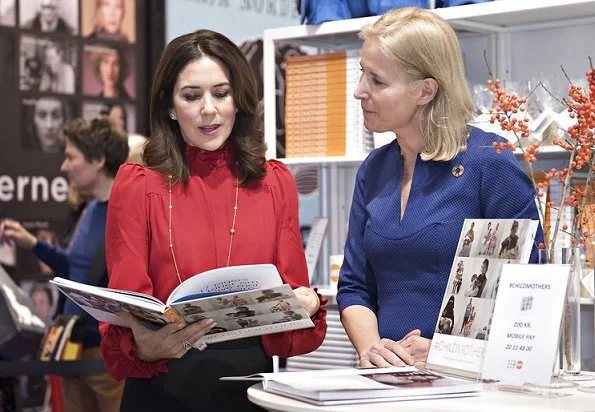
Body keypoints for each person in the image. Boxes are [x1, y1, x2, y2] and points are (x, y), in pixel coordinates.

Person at [99, 29, 327, 411]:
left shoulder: (274, 182)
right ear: (170, 106)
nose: (209, 109)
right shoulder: (137, 185)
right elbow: (124, 305)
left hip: (250, 391)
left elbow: (292, 304)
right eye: (192, 96)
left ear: (238, 100)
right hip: (164, 388)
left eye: (221, 94)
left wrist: (305, 304)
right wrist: (141, 346)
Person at [336, 7, 542, 370]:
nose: (358, 92)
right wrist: (373, 351)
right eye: (362, 75)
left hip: (471, 388)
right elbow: (354, 287)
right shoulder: (374, 169)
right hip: (387, 383)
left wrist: (449, 354)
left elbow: (528, 293)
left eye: (377, 81)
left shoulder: (489, 163)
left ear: (425, 90)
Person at [1, 117, 129, 412]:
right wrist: (32, 243)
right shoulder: (91, 208)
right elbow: (75, 270)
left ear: (97, 160)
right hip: (75, 351)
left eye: (71, 158)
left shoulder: (124, 212)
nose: (64, 166)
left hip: (104, 355)